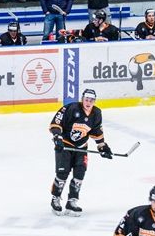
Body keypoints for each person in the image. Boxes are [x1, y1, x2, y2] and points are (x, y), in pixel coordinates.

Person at [48, 88, 112, 216]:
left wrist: (102, 146)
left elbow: (96, 131)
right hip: (65, 146)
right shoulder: (71, 108)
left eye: (91, 100)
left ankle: (72, 201)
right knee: (62, 173)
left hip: (81, 147)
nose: (88, 102)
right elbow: (56, 122)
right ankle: (55, 198)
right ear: (82, 99)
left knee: (79, 173)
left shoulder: (96, 113)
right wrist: (57, 137)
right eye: (86, 99)